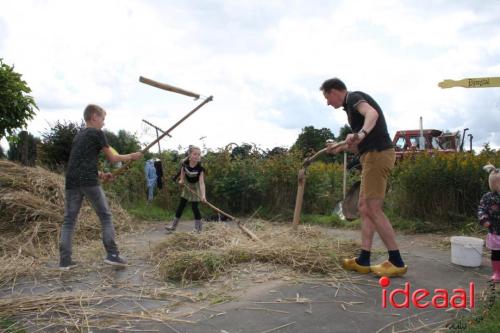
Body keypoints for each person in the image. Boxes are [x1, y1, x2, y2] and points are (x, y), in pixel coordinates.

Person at [320, 78, 407, 277]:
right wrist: (337, 148)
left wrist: (361, 132)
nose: (327, 102)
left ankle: (396, 261)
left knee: (373, 208)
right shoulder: (349, 109)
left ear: (334, 91)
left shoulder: (354, 98)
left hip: (378, 155)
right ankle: (364, 259)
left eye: (327, 97)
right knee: (364, 207)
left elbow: (372, 113)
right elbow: (356, 144)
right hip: (370, 155)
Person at [59, 104, 143, 270]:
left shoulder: (79, 136)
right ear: (94, 117)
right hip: (88, 181)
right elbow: (113, 158)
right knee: (105, 216)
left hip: (72, 180)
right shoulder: (97, 133)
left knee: (69, 221)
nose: (104, 123)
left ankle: (65, 261)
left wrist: (101, 174)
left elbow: (78, 163)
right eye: (103, 119)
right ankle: (112, 254)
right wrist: (132, 156)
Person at [165, 145, 206, 233]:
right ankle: (173, 226)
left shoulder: (200, 169)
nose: (197, 156)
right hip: (187, 187)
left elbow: (202, 183)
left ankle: (198, 229)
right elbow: (182, 176)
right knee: (181, 206)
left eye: (199, 154)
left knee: (195, 208)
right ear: (190, 155)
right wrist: (181, 180)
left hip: (196, 188)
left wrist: (203, 196)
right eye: (195, 154)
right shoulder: (185, 164)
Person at [478, 163, 500, 282]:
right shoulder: (488, 197)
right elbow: (481, 209)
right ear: (494, 184)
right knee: (496, 253)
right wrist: (484, 219)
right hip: (495, 230)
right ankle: (497, 272)